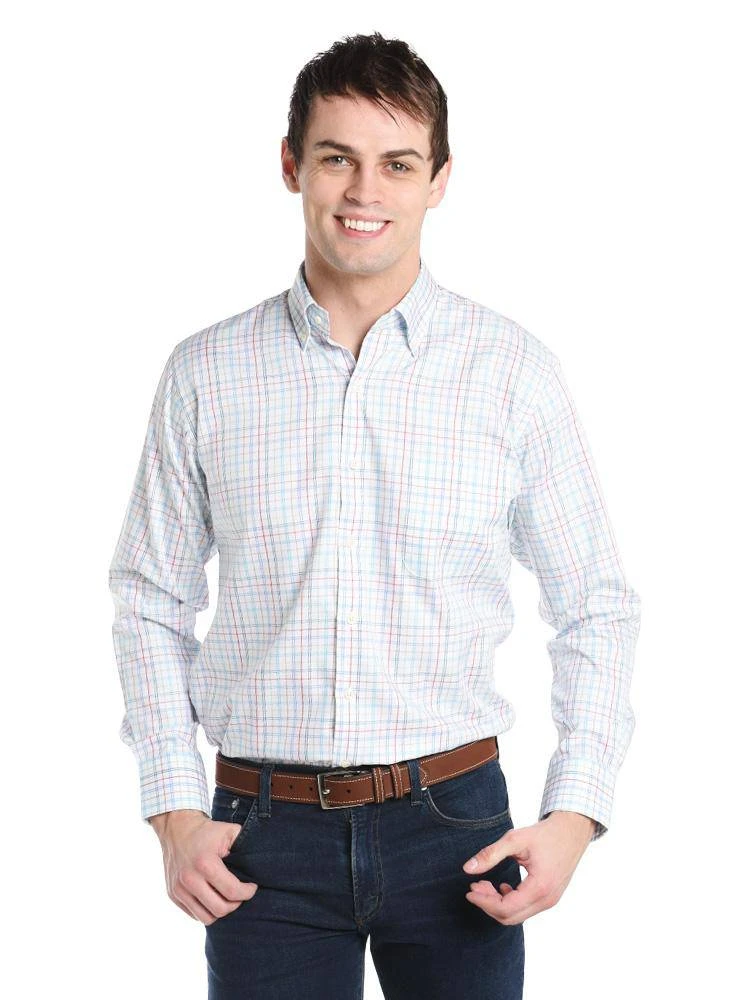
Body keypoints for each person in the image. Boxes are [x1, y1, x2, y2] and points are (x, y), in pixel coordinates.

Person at [108, 31, 641, 1000]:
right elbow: (149, 600)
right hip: (258, 839)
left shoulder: (512, 373)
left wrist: (575, 816)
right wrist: (173, 812)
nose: (365, 190)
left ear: (439, 179)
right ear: (291, 165)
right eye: (336, 158)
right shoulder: (205, 374)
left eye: (397, 163)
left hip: (457, 834)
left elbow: (597, 605)